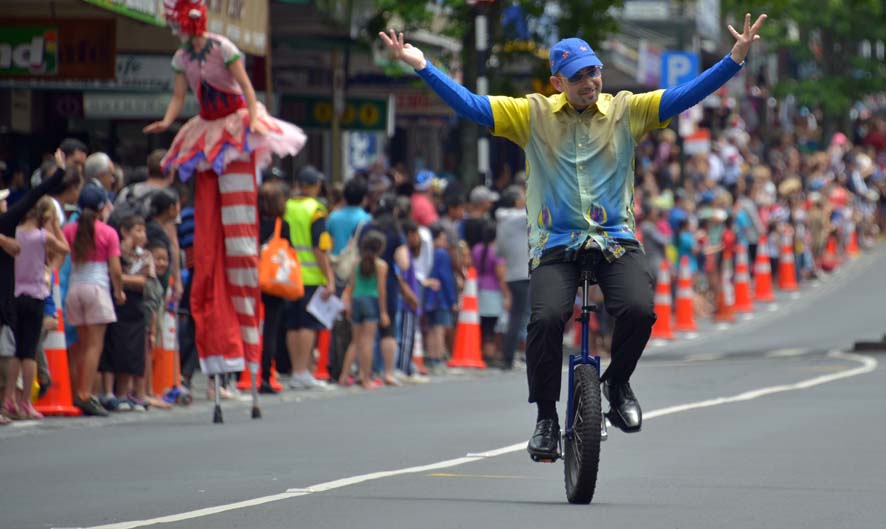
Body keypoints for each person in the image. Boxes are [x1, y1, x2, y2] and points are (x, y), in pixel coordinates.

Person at [380, 13, 768, 459]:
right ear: (557, 82)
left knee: (640, 310)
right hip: (556, 245)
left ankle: (617, 383)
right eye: (579, 76)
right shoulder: (532, 114)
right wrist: (422, 65)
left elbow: (684, 96)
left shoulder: (626, 109)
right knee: (544, 321)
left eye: (594, 71)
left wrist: (734, 60)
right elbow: (471, 104)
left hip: (615, 240)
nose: (591, 81)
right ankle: (546, 418)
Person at [144, 0, 306, 399]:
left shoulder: (222, 47)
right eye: (188, 28)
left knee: (238, 236)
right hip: (207, 126)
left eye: (195, 27)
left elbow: (247, 88)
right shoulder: (182, 56)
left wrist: (253, 118)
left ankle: (246, 347)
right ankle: (223, 350)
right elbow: (181, 97)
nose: (192, 33)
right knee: (209, 228)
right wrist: (167, 122)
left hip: (235, 122)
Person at [2, 197, 69, 421]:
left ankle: (8, 398)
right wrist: (56, 227)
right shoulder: (42, 236)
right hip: (36, 294)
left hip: (15, 294)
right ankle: (26, 401)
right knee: (28, 352)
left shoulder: (14, 233)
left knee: (14, 350)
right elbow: (64, 248)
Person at [63, 185, 125, 416]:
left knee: (78, 346)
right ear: (101, 207)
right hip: (97, 288)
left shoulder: (69, 230)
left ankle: (72, 393)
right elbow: (116, 270)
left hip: (75, 289)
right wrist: (118, 291)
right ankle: (85, 394)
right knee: (94, 346)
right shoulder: (108, 232)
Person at [283, 166, 336, 390]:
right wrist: (329, 278)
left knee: (292, 325)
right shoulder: (316, 209)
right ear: (315, 186)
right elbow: (319, 247)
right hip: (310, 274)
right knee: (306, 324)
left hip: (287, 274)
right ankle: (302, 371)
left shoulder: (287, 206)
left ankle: (296, 370)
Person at [257, 180, 293, 393]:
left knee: (249, 326)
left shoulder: (253, 223)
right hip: (274, 280)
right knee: (270, 328)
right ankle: (265, 377)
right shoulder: (282, 225)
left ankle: (241, 373)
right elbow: (289, 251)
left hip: (252, 277)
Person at [341, 230, 389, 389]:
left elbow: (351, 285)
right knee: (368, 341)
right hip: (371, 301)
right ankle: (365, 377)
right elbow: (381, 290)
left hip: (356, 299)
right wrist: (383, 312)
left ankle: (344, 375)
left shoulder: (356, 262)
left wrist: (348, 303)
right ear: (380, 248)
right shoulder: (381, 265)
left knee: (355, 341)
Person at [495, 185, 531, 370]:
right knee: (521, 317)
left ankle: (508, 355)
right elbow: (534, 209)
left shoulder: (501, 221)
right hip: (523, 273)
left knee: (515, 317)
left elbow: (499, 251)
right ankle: (511, 356)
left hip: (511, 274)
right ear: (516, 201)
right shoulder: (518, 219)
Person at [471, 219, 511, 366]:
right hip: (493, 292)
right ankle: (491, 355)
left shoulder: (477, 249)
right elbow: (501, 275)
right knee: (492, 328)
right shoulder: (497, 251)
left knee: (483, 326)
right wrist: (507, 295)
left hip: (478, 289)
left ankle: (482, 352)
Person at [423, 224, 457, 374]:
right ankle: (438, 358)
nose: (445, 242)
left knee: (431, 327)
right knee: (439, 328)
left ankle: (430, 356)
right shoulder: (442, 254)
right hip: (440, 296)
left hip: (428, 294)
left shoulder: (427, 252)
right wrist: (453, 299)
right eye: (443, 238)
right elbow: (446, 277)